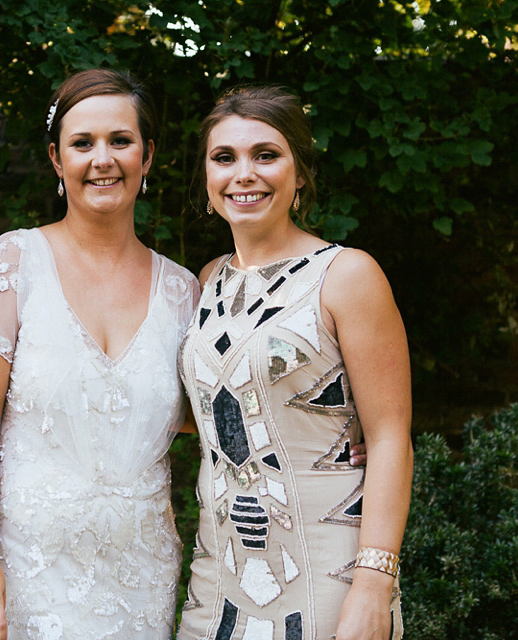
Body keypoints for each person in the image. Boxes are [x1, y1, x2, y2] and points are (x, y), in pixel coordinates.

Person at [0, 69, 199, 640]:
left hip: (141, 574)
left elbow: (208, 413)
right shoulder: (14, 262)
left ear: (149, 155)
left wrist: (332, 432)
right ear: (56, 160)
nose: (103, 159)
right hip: (25, 573)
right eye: (82, 144)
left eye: (120, 141)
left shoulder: (182, 292)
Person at [177, 86, 412, 640]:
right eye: (224, 158)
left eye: (266, 154)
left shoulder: (347, 275)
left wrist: (374, 583)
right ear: (208, 180)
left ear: (300, 173)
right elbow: (205, 414)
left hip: (329, 571)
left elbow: (390, 437)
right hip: (217, 579)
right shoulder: (208, 280)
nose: (244, 173)